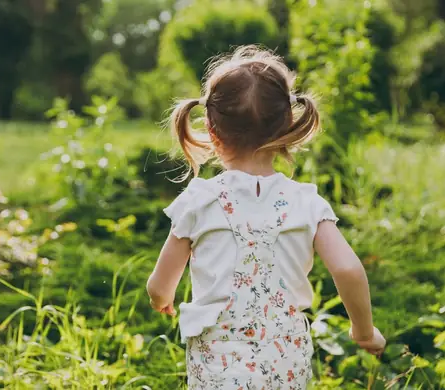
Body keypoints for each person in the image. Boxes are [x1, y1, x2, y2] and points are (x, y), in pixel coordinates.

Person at [146, 46, 386, 389]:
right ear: (287, 126)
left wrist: (162, 300)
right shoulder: (306, 202)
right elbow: (347, 269)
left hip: (217, 366)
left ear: (212, 130)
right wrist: (363, 332)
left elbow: (159, 285)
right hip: (284, 359)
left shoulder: (199, 199)